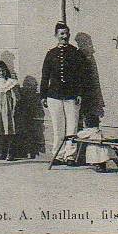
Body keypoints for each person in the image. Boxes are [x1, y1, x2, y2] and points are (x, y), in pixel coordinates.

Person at [40, 21, 90, 164]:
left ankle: (70, 156)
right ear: (56, 35)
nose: (65, 36)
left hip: (72, 95)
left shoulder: (76, 53)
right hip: (54, 96)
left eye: (67, 33)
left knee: (72, 126)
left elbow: (82, 75)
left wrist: (80, 93)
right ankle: (58, 155)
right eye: (62, 34)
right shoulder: (51, 54)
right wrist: (43, 95)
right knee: (58, 127)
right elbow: (45, 76)